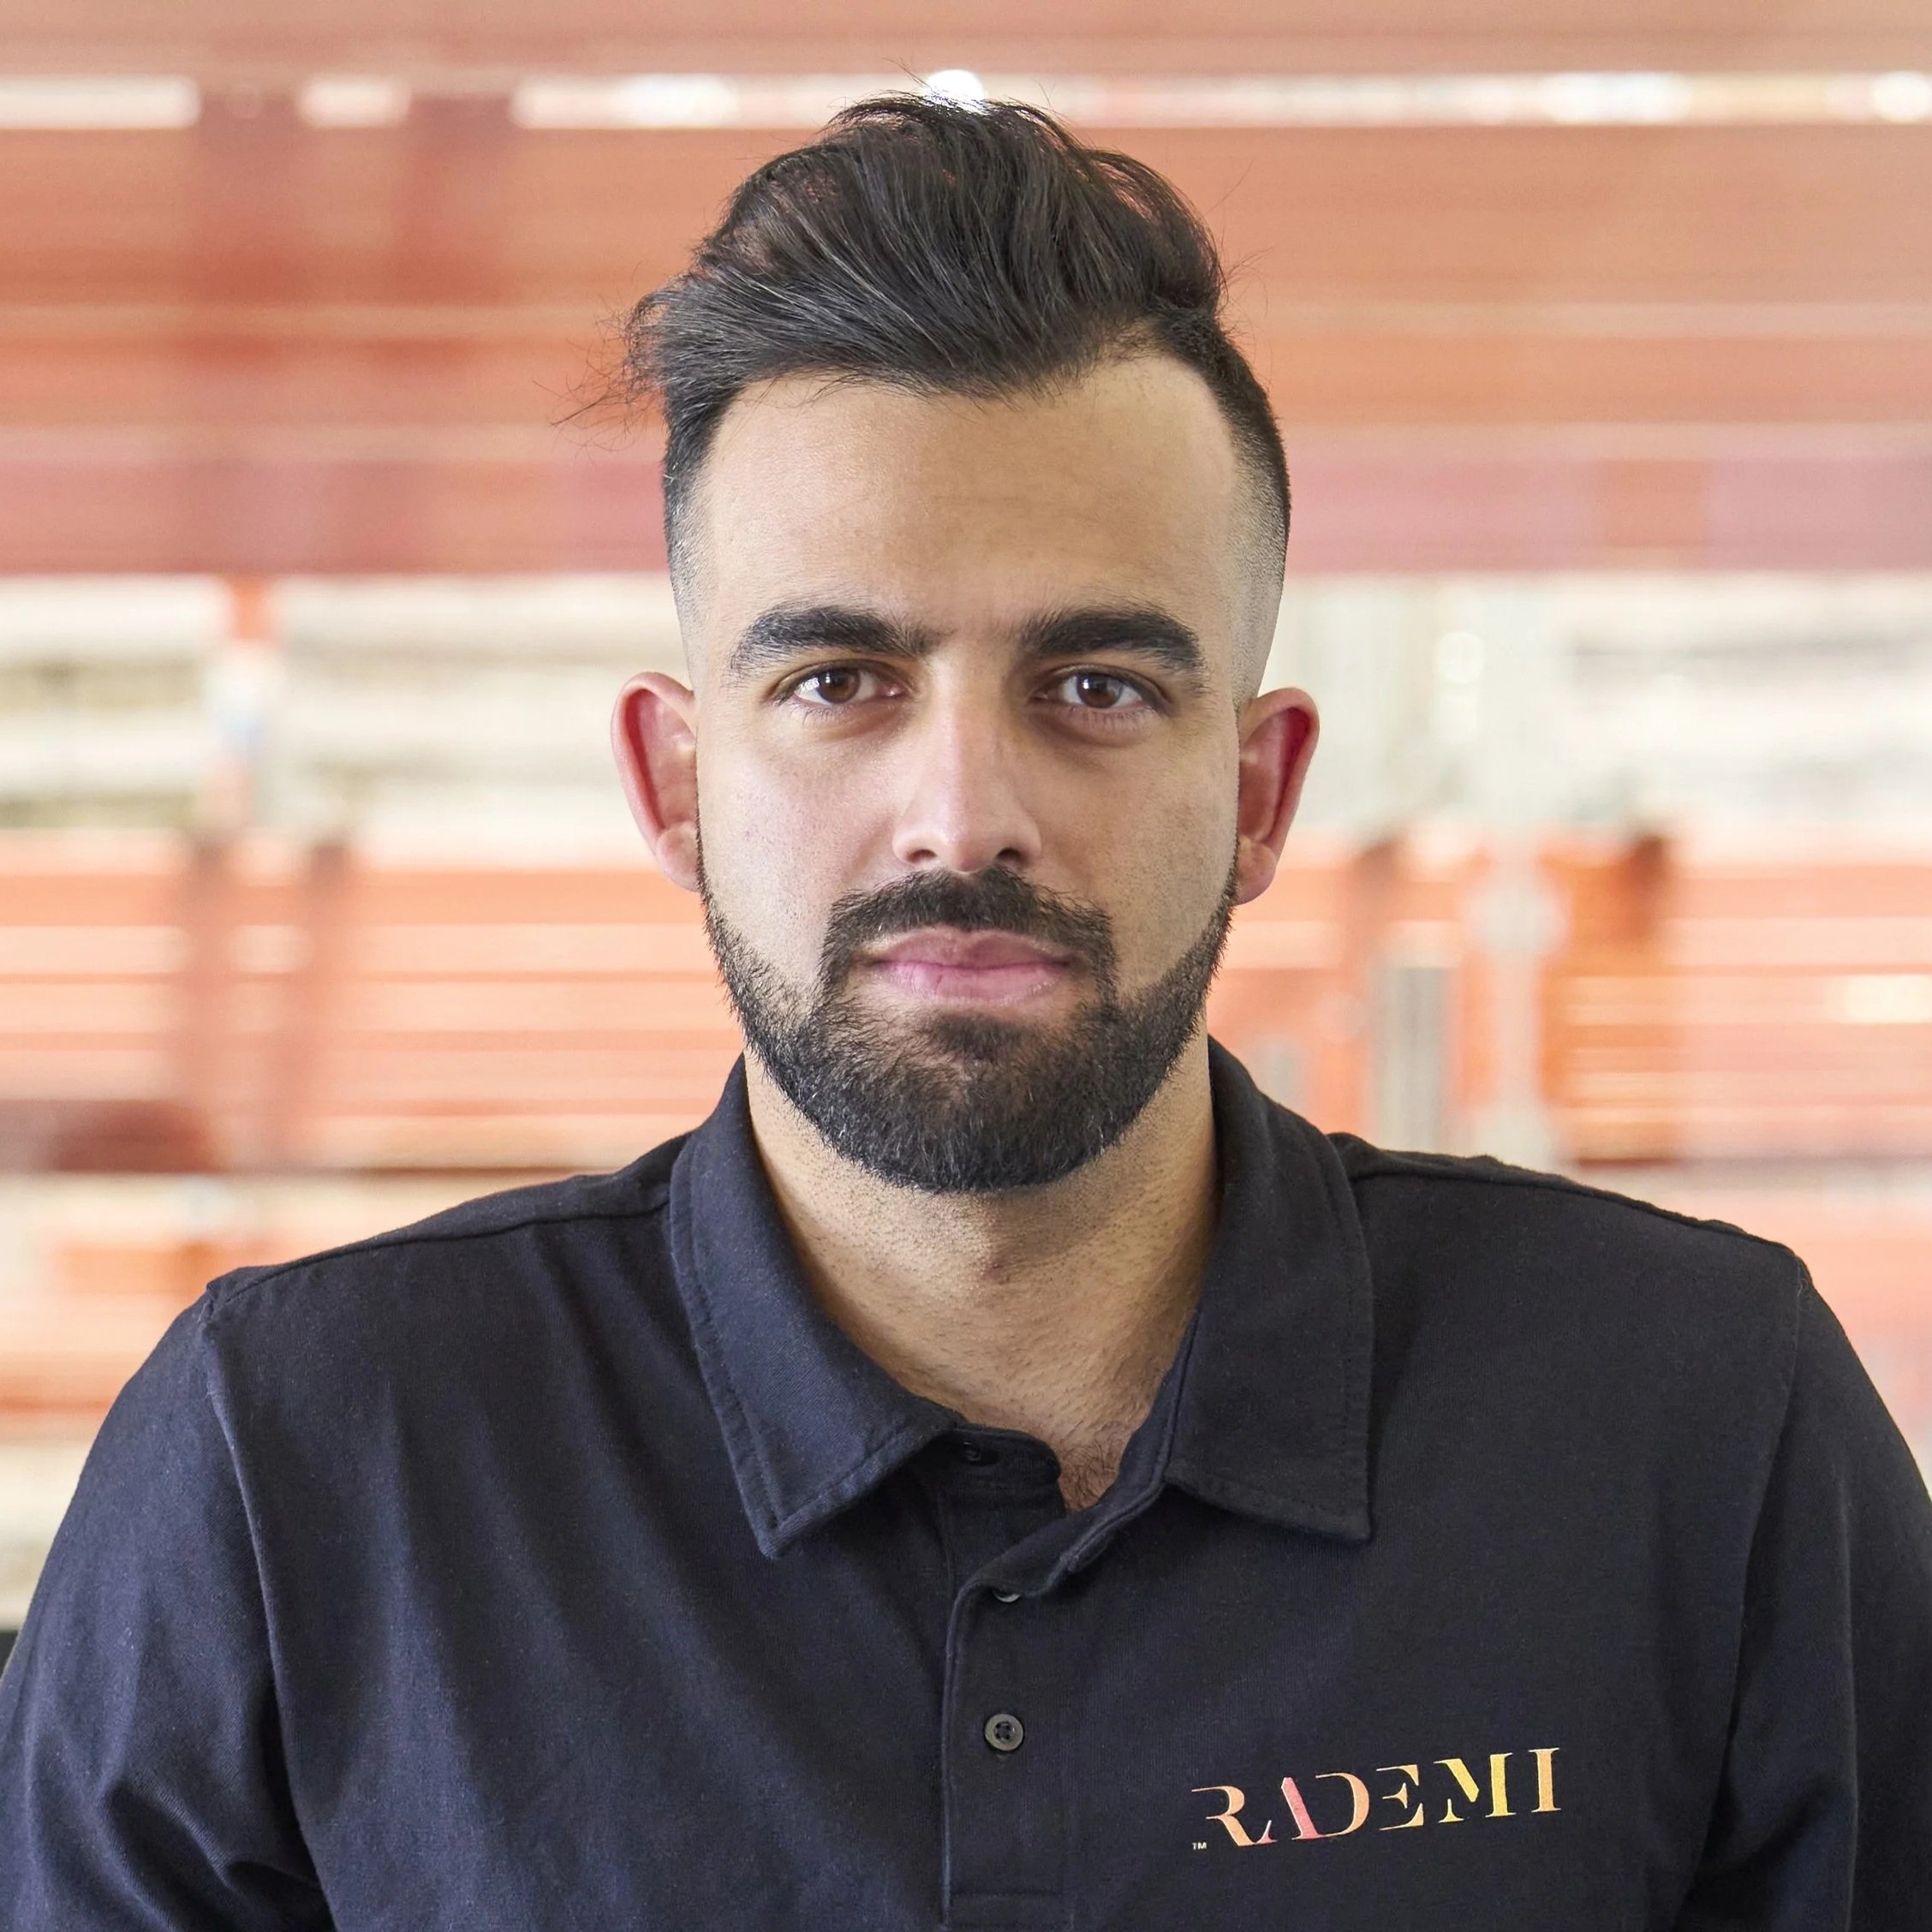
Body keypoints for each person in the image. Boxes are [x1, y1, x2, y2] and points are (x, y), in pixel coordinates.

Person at [3, 95, 1929, 1932]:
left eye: (1093, 687)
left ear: (1258, 795)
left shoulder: (1697, 1422)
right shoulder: (297, 1464)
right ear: (676, 785)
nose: (964, 817)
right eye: (842, 679)